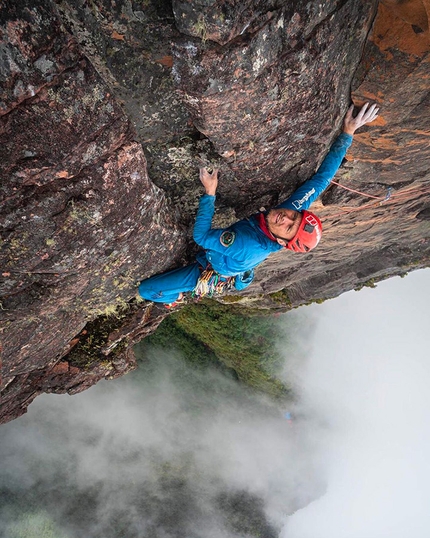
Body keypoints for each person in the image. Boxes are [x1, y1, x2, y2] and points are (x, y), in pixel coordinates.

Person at [139, 102, 379, 307]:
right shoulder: (290, 211)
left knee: (146, 291)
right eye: (294, 217)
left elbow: (201, 237)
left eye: (288, 227)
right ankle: (239, 274)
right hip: (238, 261)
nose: (285, 218)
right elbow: (322, 179)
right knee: (238, 263)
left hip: (211, 268)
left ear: (283, 241)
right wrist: (348, 133)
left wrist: (210, 193)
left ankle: (175, 297)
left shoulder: (248, 245)